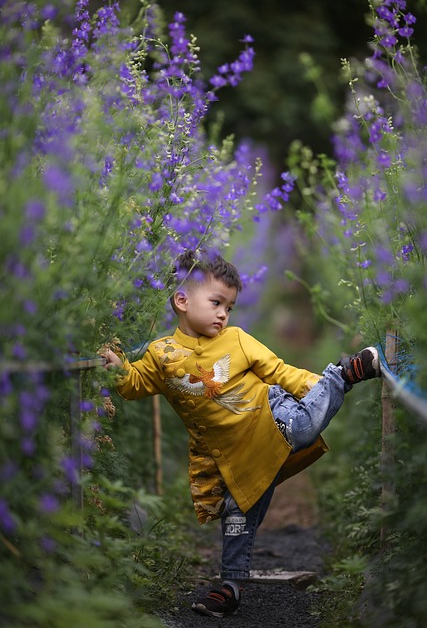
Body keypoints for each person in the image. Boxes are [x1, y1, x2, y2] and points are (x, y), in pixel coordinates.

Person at [102, 249, 381, 618]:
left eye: (229, 307)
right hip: (232, 456)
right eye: (217, 302)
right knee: (236, 515)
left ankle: (344, 374)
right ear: (182, 300)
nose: (223, 314)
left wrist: (319, 389)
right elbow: (134, 384)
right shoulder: (160, 354)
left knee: (302, 429)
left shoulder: (237, 339)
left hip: (270, 415)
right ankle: (230, 587)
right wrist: (119, 367)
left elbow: (281, 372)